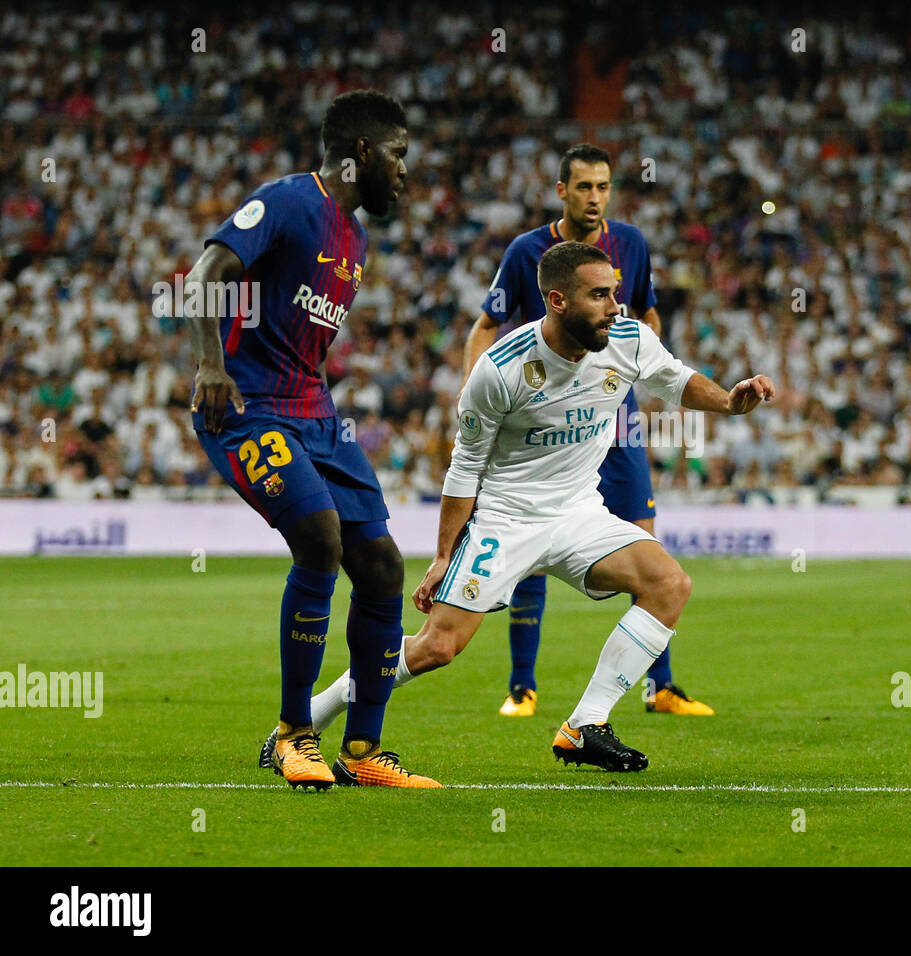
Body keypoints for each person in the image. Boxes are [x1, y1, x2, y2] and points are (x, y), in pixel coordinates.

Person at [309, 241, 775, 771]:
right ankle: (311, 714)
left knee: (669, 583)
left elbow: (677, 380)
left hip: (579, 512)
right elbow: (464, 471)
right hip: (505, 519)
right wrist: (443, 557)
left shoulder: (629, 341)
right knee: (437, 647)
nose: (614, 306)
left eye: (614, 292)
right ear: (557, 300)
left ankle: (584, 726)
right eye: (598, 295)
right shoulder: (500, 369)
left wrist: (729, 401)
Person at [188, 90, 436, 789]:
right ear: (362, 154)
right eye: (399, 155)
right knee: (321, 536)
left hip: (315, 415)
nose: (406, 172)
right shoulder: (289, 201)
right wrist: (211, 365)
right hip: (244, 407)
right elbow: (207, 275)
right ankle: (292, 735)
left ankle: (363, 751)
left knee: (383, 566)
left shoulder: (354, 236)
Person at [468, 143, 712, 717]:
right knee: (535, 541)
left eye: (603, 186)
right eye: (584, 187)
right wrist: (469, 390)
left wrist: (650, 364)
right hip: (544, 422)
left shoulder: (631, 243)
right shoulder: (529, 251)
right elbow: (486, 325)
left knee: (644, 545)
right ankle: (522, 686)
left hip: (615, 418)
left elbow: (647, 313)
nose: (595, 196)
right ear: (562, 191)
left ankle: (661, 687)